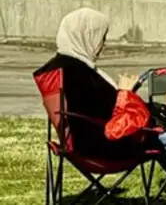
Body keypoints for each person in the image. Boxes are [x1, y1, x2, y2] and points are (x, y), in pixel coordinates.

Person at [33, 8, 153, 159]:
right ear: (86, 36)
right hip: (104, 147)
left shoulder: (63, 67)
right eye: (100, 37)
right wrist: (125, 92)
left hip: (85, 143)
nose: (102, 44)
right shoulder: (77, 73)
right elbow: (109, 115)